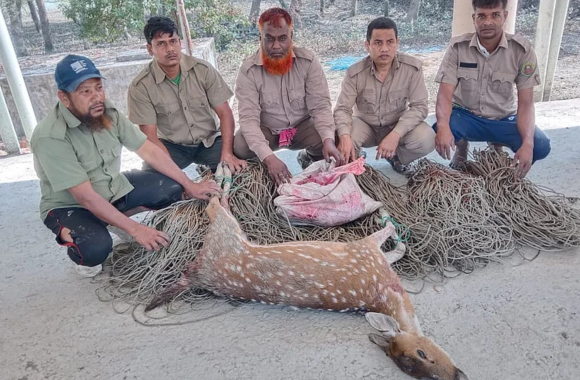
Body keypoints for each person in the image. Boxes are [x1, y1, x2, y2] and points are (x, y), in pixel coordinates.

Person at [31, 55, 220, 277]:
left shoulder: (107, 112)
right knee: (95, 249)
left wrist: (190, 184)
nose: (96, 97)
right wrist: (135, 229)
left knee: (172, 187)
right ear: (64, 97)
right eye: (85, 91)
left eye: (99, 88)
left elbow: (148, 150)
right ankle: (74, 235)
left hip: (111, 188)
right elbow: (86, 197)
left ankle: (107, 218)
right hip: (72, 206)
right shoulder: (51, 136)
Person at [433, 0, 551, 178]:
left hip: (502, 118)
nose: (487, 22)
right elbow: (444, 94)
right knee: (439, 128)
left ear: (505, 16)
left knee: (540, 146)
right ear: (474, 18)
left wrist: (527, 144)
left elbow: (526, 104)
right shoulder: (458, 48)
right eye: (481, 16)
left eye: (495, 15)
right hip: (466, 116)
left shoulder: (521, 50)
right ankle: (462, 148)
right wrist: (443, 127)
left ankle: (497, 144)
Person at [234, 7, 344, 185]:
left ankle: (311, 157)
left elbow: (321, 106)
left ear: (291, 37)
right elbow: (248, 120)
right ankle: (261, 173)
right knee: (240, 145)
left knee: (334, 136)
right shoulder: (248, 71)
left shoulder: (308, 62)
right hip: (268, 131)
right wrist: (269, 158)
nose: (276, 46)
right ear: (260, 38)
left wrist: (328, 141)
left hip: (302, 128)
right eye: (269, 39)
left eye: (282, 38)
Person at [127, 17, 246, 173]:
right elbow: (150, 138)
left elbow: (225, 113)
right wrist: (181, 181)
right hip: (171, 147)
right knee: (156, 183)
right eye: (161, 44)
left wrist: (227, 154)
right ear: (150, 49)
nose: (170, 49)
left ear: (180, 42)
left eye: (173, 41)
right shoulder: (141, 87)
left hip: (209, 142)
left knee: (238, 170)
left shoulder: (202, 70)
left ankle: (208, 169)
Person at [334, 17, 435, 174]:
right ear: (368, 45)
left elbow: (420, 107)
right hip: (365, 126)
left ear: (397, 43)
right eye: (378, 42)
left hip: (396, 124)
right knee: (340, 136)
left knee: (427, 138)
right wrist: (345, 136)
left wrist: (396, 134)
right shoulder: (354, 73)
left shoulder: (412, 68)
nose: (384, 48)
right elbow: (342, 109)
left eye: (390, 42)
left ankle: (397, 158)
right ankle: (356, 157)